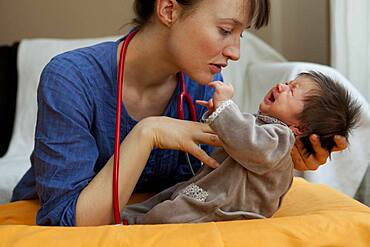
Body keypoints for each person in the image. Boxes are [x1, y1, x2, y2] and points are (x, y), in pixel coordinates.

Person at [10, 0, 348, 226]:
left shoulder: (202, 80)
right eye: (224, 30)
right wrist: (148, 133)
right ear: (169, 9)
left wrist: (281, 156)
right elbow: (66, 221)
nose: (235, 52)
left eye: (241, 34)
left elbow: (217, 176)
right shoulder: (71, 78)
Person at [121, 71, 361, 224]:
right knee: (165, 197)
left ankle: (136, 227)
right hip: (208, 191)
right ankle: (125, 218)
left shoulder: (280, 138)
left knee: (167, 214)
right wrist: (216, 114)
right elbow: (230, 136)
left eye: (292, 90)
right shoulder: (259, 125)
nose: (281, 86)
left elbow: (248, 142)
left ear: (301, 127)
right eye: (288, 82)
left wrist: (225, 106)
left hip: (228, 206)